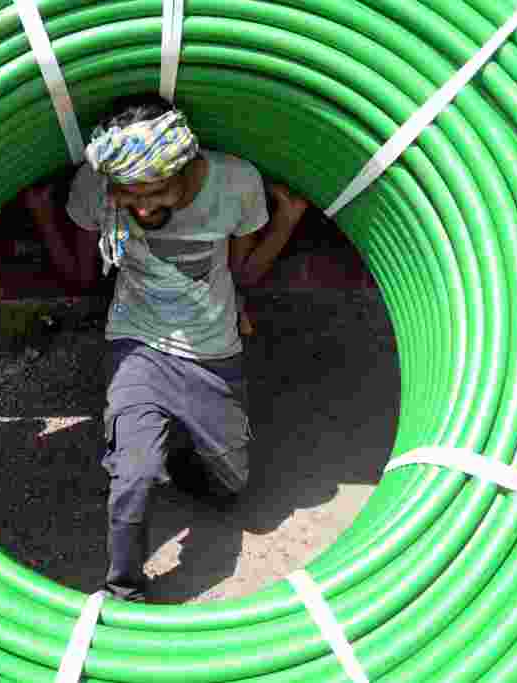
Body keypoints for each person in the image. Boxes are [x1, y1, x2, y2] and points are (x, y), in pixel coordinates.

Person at [21, 93, 310, 602]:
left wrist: (286, 221)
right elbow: (79, 270)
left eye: (157, 192)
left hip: (212, 350)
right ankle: (123, 590)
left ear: (188, 167)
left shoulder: (235, 182)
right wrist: (47, 214)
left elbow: (243, 273)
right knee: (134, 474)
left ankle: (182, 458)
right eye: (129, 195)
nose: (143, 207)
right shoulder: (99, 184)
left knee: (232, 485)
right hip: (137, 341)